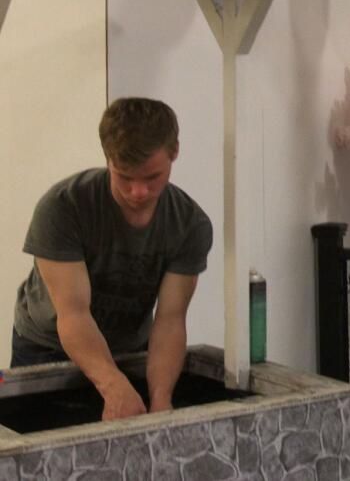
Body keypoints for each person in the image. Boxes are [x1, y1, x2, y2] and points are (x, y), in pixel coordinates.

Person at [10, 97, 212, 421]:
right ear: (108, 159)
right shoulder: (63, 208)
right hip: (46, 345)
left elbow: (171, 320)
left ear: (174, 152)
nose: (138, 192)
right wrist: (112, 385)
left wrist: (162, 402)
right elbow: (73, 314)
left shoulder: (190, 224)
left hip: (129, 347)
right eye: (125, 177)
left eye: (151, 178)